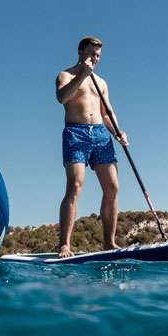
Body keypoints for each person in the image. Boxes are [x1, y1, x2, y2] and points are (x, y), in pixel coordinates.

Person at [54, 36, 129, 257]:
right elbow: (62, 97)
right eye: (91, 54)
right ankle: (64, 244)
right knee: (75, 184)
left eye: (98, 55)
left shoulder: (102, 82)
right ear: (80, 52)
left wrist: (117, 132)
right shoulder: (65, 75)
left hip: (100, 134)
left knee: (113, 187)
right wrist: (83, 75)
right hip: (76, 133)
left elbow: (106, 112)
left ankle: (109, 243)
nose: (95, 59)